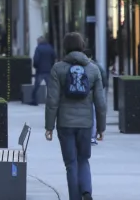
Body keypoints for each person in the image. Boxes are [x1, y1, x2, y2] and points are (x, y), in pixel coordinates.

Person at [45, 32, 106, 200]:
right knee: (84, 159)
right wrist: (101, 128)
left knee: (71, 164)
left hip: (65, 124)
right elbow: (100, 103)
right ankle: (86, 191)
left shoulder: (58, 68)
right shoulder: (93, 69)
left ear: (65, 48)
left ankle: (74, 198)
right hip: (86, 124)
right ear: (82, 46)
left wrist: (49, 126)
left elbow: (52, 100)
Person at [31, 35, 56, 106]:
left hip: (40, 70)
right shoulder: (50, 47)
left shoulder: (38, 48)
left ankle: (34, 100)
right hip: (48, 70)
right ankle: (52, 101)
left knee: (36, 86)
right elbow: (54, 57)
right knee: (50, 87)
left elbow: (36, 59)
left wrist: (35, 66)